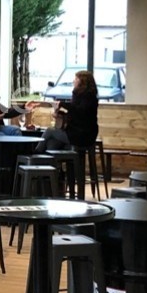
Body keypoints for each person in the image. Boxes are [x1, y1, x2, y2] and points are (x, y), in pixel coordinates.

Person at [55, 70, 99, 198]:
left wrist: (63, 105)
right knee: (54, 141)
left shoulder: (88, 97)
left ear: (82, 82)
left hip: (83, 135)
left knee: (49, 133)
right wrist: (60, 114)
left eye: (76, 79)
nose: (73, 81)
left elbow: (80, 113)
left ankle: (49, 171)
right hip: (79, 132)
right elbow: (75, 115)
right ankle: (55, 178)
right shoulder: (79, 95)